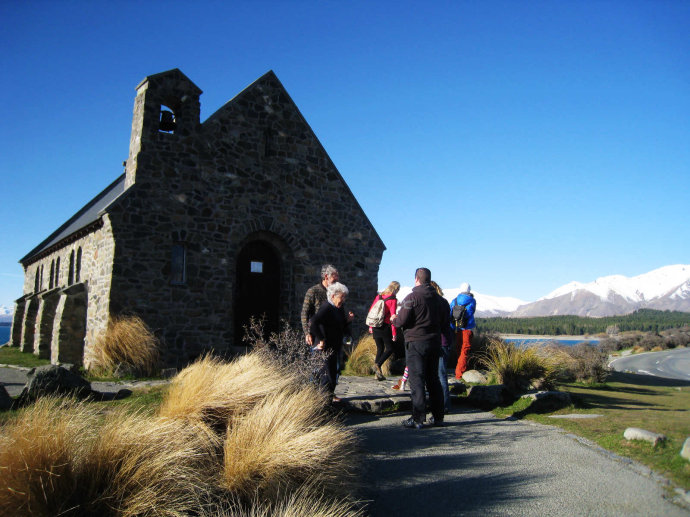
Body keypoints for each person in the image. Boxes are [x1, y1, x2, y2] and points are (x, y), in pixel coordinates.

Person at [391, 268, 447, 429]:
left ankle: (418, 418)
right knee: (433, 380)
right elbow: (445, 323)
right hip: (435, 343)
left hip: (415, 344)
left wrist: (394, 319)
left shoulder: (412, 298)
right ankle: (438, 417)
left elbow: (401, 321)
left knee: (417, 381)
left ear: (416, 279)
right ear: (429, 280)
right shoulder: (440, 301)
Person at [310, 282, 353, 402]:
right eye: (341, 297)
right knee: (327, 377)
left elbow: (339, 326)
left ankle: (328, 402)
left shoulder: (338, 309)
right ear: (333, 296)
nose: (343, 299)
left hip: (335, 346)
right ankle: (324, 405)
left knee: (333, 375)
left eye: (344, 297)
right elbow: (313, 322)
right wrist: (321, 339)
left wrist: (348, 321)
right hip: (325, 348)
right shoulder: (327, 307)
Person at [367, 281, 400, 381]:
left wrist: (371, 326)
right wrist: (394, 333)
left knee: (380, 349)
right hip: (385, 326)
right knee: (390, 348)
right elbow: (392, 317)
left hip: (376, 325)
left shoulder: (379, 296)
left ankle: (377, 374)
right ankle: (378, 365)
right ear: (395, 289)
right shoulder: (393, 300)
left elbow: (371, 311)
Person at [301, 264, 339, 346]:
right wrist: (307, 333)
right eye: (334, 279)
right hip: (317, 336)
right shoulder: (313, 291)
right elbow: (305, 313)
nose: (336, 281)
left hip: (332, 335)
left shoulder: (336, 293)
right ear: (326, 277)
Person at [431, 281, 453, 413]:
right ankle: (444, 404)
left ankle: (443, 405)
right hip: (445, 340)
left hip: (438, 341)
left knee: (439, 374)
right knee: (441, 374)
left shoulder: (434, 303)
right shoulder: (444, 302)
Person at [450, 282, 477, 380]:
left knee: (458, 350)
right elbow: (470, 313)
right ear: (469, 289)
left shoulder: (455, 300)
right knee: (464, 351)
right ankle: (460, 374)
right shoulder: (472, 301)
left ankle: (461, 369)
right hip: (467, 329)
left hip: (456, 329)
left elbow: (450, 314)